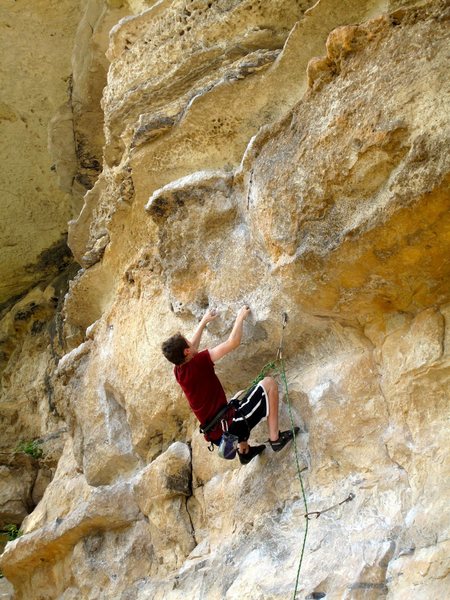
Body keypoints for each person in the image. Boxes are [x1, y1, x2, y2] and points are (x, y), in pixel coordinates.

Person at [161, 305, 298, 465]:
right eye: (188, 343)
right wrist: (240, 317)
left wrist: (204, 321)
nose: (192, 344)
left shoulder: (179, 371)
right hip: (231, 428)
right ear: (186, 352)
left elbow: (192, 347)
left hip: (217, 435)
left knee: (236, 402)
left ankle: (244, 451)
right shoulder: (198, 363)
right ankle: (275, 439)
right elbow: (233, 342)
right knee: (269, 383)